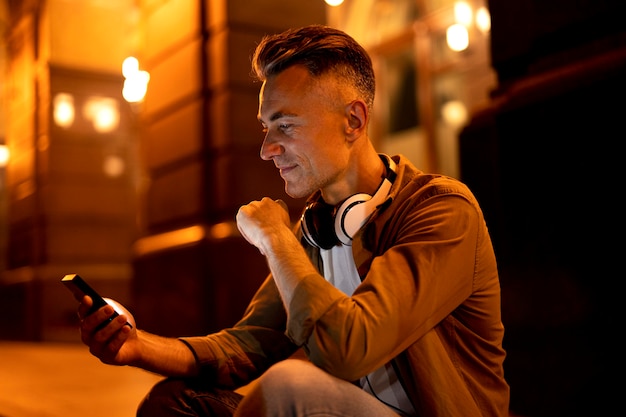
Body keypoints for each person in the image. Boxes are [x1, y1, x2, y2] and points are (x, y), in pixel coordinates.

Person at [77, 24, 510, 417]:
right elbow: (247, 343)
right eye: (266, 127)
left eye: (285, 125)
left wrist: (274, 238)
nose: (267, 149)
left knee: (290, 386)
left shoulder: (441, 210)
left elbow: (350, 349)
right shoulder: (319, 227)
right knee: (175, 403)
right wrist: (136, 346)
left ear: (353, 121)